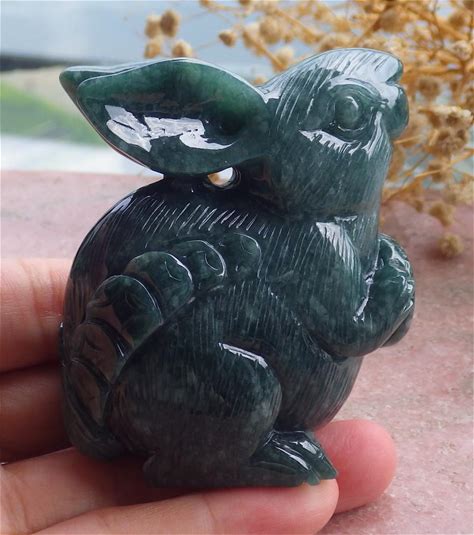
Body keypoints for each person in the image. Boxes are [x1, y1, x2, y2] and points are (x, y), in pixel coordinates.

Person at [0, 259, 396, 534]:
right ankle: (202, 459)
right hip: (166, 401)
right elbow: (350, 332)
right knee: (244, 385)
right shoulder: (318, 243)